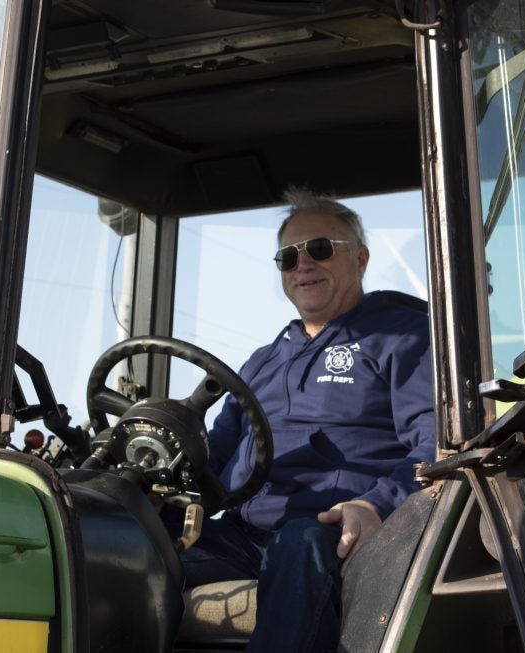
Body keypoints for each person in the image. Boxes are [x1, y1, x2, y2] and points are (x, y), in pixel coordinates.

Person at [181, 188, 436, 652]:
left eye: (320, 249)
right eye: (289, 257)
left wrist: (376, 505)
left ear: (359, 259)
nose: (304, 264)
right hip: (244, 535)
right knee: (129, 554)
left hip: (336, 530)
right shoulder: (260, 363)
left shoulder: (403, 336)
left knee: (299, 544)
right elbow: (215, 457)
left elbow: (437, 442)